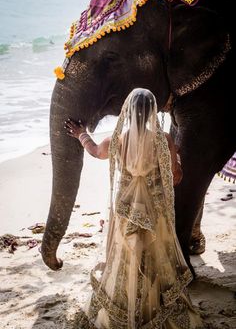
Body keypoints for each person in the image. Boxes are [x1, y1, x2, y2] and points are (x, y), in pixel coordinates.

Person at [65, 88, 202, 329]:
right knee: (154, 255)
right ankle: (154, 308)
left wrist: (81, 135)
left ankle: (125, 306)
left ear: (127, 111)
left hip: (126, 210)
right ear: (152, 113)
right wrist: (176, 161)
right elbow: (175, 177)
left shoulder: (117, 140)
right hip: (154, 209)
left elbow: (96, 151)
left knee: (125, 256)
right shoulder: (164, 141)